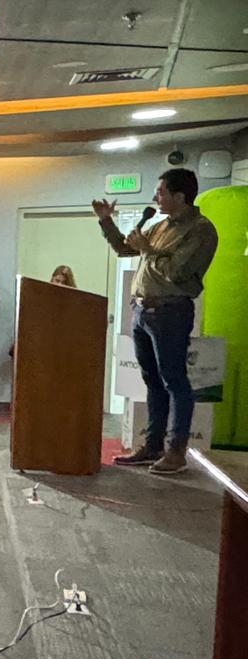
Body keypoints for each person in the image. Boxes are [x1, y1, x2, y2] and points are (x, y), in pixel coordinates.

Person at [95, 168, 220, 474]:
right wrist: (105, 221)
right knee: (152, 382)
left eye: (161, 192)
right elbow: (126, 249)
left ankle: (176, 451)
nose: (155, 198)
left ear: (180, 196)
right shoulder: (161, 225)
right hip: (142, 311)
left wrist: (148, 250)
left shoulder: (200, 230)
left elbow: (178, 272)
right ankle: (152, 446)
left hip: (170, 311)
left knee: (174, 380)